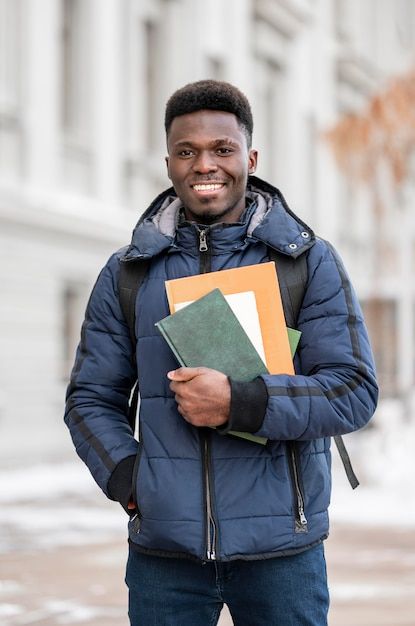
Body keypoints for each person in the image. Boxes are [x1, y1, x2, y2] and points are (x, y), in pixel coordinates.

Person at [64, 80, 378, 625]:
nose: (204, 164)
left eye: (222, 150)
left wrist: (242, 402)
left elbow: (353, 391)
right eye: (187, 152)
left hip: (284, 552)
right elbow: (90, 399)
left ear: (250, 158)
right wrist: (131, 482)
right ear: (168, 164)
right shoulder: (128, 273)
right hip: (165, 558)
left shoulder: (305, 263)